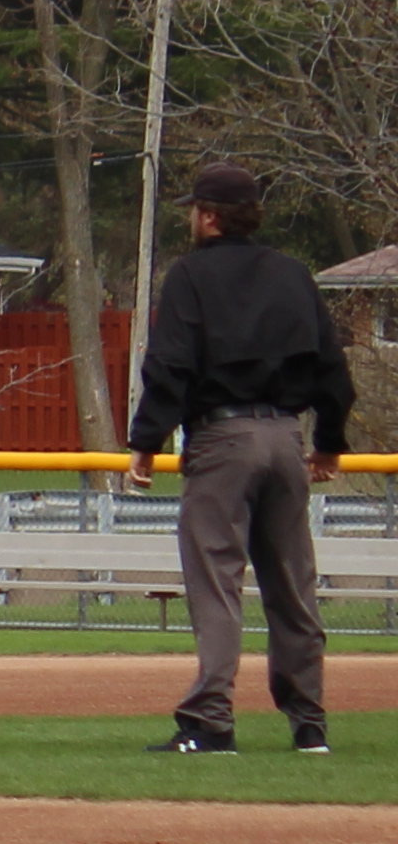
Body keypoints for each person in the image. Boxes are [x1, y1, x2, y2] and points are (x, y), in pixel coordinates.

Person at [126, 161, 351, 757]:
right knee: (292, 586)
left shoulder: (191, 277)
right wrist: (328, 440)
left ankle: (211, 722)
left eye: (194, 210)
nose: (192, 219)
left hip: (224, 440)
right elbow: (332, 368)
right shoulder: (293, 276)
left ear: (209, 217)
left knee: (217, 582)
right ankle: (309, 725)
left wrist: (146, 442)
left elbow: (170, 365)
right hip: (285, 438)